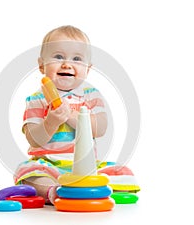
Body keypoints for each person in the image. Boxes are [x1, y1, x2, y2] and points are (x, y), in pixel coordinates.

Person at [14, 25, 140, 204]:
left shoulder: (90, 94)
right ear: (41, 66)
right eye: (58, 57)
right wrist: (51, 121)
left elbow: (100, 128)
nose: (67, 64)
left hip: (87, 168)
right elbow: (34, 139)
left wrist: (72, 117)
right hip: (49, 165)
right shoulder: (37, 99)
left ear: (87, 69)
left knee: (122, 172)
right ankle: (54, 192)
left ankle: (98, 190)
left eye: (77, 58)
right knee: (28, 174)